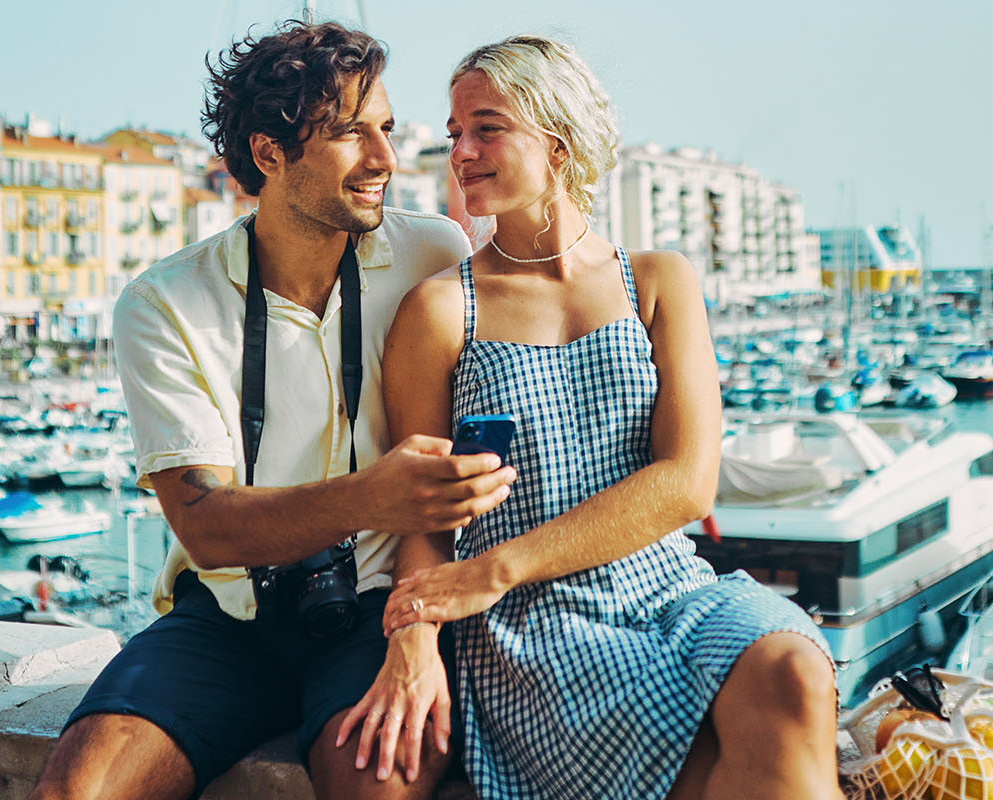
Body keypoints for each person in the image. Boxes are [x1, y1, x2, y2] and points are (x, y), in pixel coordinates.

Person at [28, 21, 513, 800]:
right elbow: (207, 527)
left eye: (384, 129)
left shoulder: (436, 253)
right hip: (225, 621)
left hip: (376, 611)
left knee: (381, 786)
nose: (385, 160)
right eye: (350, 134)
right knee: (73, 791)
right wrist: (373, 496)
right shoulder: (163, 302)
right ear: (268, 153)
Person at [349, 36, 843, 799]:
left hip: (670, 588)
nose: (462, 152)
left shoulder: (658, 281)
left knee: (796, 670)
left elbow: (688, 483)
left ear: (557, 138)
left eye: (487, 127)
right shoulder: (442, 311)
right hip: (529, 625)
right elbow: (423, 516)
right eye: (454, 135)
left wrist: (493, 567)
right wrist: (412, 637)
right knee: (736, 763)